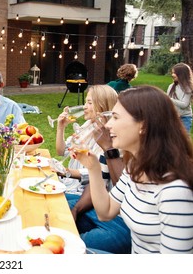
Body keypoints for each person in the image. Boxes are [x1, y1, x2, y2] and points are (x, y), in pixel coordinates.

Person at [74, 85, 193, 254]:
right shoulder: (134, 167)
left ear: (143, 125)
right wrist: (93, 168)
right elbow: (105, 212)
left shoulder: (175, 191)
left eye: (115, 117)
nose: (107, 125)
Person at [54, 84, 131, 253]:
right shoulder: (102, 137)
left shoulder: (117, 143)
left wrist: (109, 149)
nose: (84, 107)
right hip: (104, 208)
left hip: (122, 225)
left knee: (63, 247)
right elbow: (100, 182)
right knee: (54, 208)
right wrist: (76, 209)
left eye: (116, 118)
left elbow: (117, 192)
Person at [167, 63, 193, 132]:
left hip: (185, 118)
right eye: (172, 72)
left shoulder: (188, 88)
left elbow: (184, 104)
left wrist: (170, 99)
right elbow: (167, 103)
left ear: (182, 75)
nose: (173, 75)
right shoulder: (171, 86)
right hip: (173, 117)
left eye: (175, 73)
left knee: (183, 138)